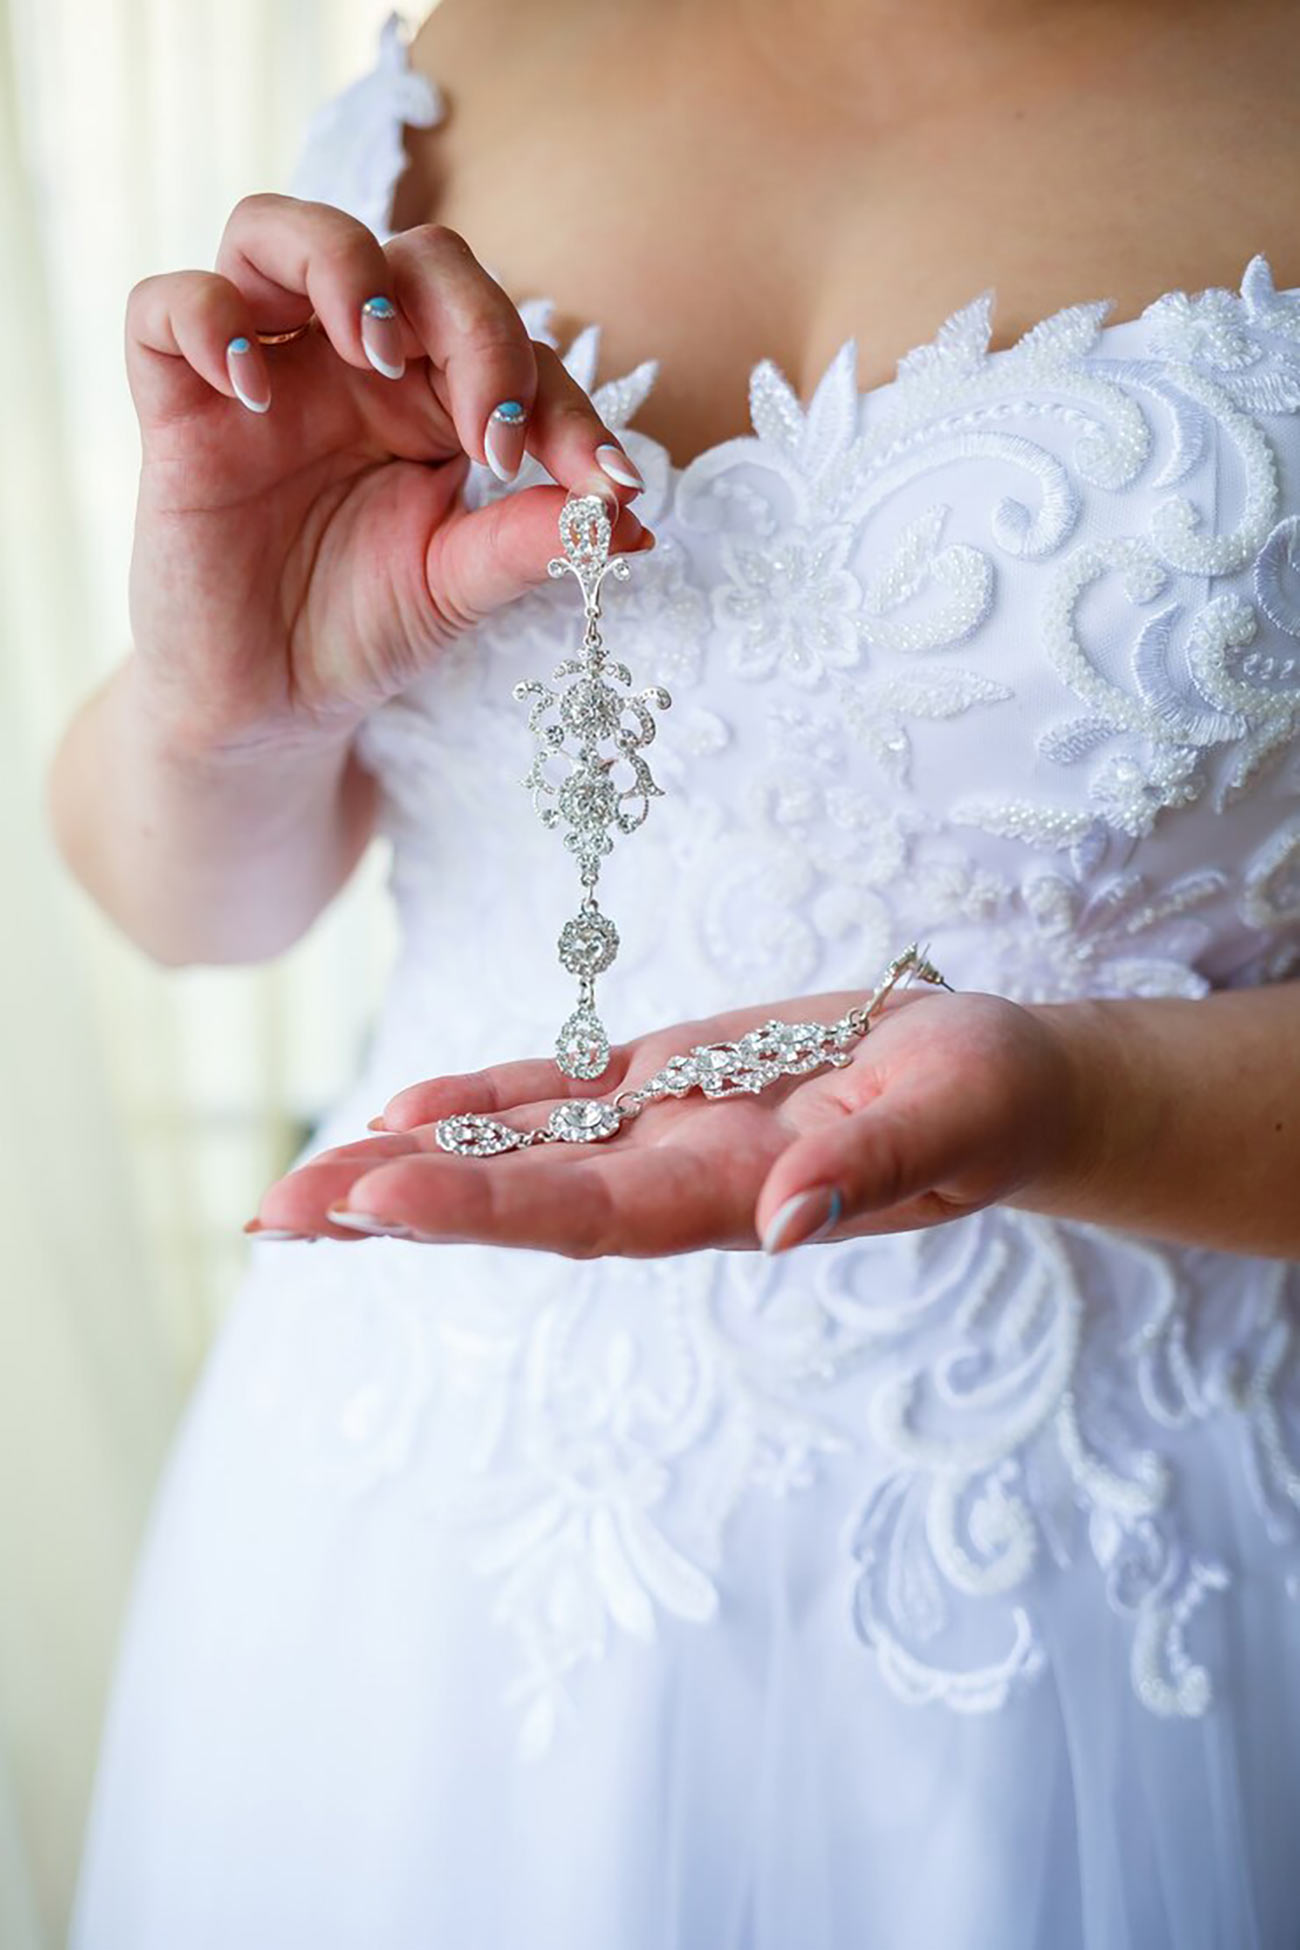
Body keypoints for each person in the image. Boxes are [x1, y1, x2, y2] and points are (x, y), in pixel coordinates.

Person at [56, 0, 1300, 1943]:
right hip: (399, 1569)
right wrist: (233, 705)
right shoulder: (455, 54)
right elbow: (189, 907)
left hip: (1094, 1615)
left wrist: (1082, 1095)